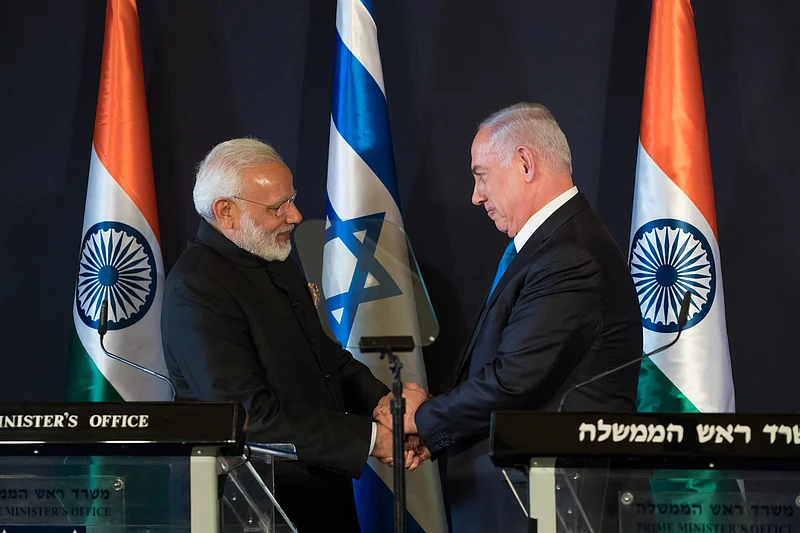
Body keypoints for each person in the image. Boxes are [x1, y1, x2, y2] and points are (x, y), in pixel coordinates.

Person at [375, 103, 643, 532]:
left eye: (481, 175)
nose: (475, 195)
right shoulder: (551, 244)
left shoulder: (569, 256)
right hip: (525, 492)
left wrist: (421, 418)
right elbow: (500, 367)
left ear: (524, 163)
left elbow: (514, 379)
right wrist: (434, 424)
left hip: (551, 498)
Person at [162, 138, 414, 532]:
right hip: (254, 507)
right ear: (226, 212)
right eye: (277, 206)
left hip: (320, 491)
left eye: (291, 199)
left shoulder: (275, 260)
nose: (295, 215)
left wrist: (387, 404)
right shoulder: (198, 288)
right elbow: (246, 416)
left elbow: (324, 358)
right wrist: (371, 439)